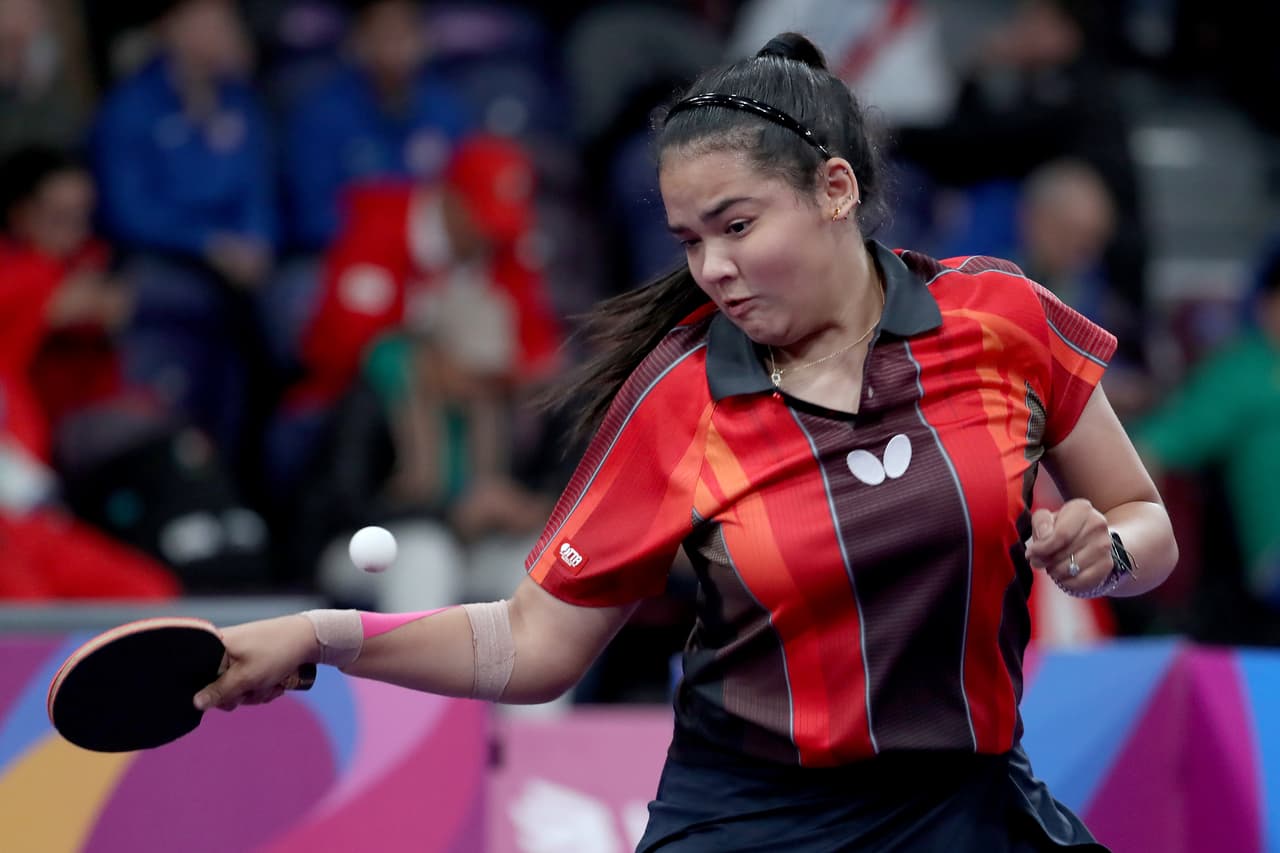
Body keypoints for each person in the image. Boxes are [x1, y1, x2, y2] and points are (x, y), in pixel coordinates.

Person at [193, 33, 1178, 851]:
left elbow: (1145, 524)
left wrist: (1109, 552)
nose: (711, 268)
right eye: (688, 240)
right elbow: (533, 643)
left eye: (736, 225)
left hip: (962, 809)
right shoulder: (680, 395)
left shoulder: (999, 318)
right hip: (755, 822)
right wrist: (324, 635)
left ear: (835, 188)